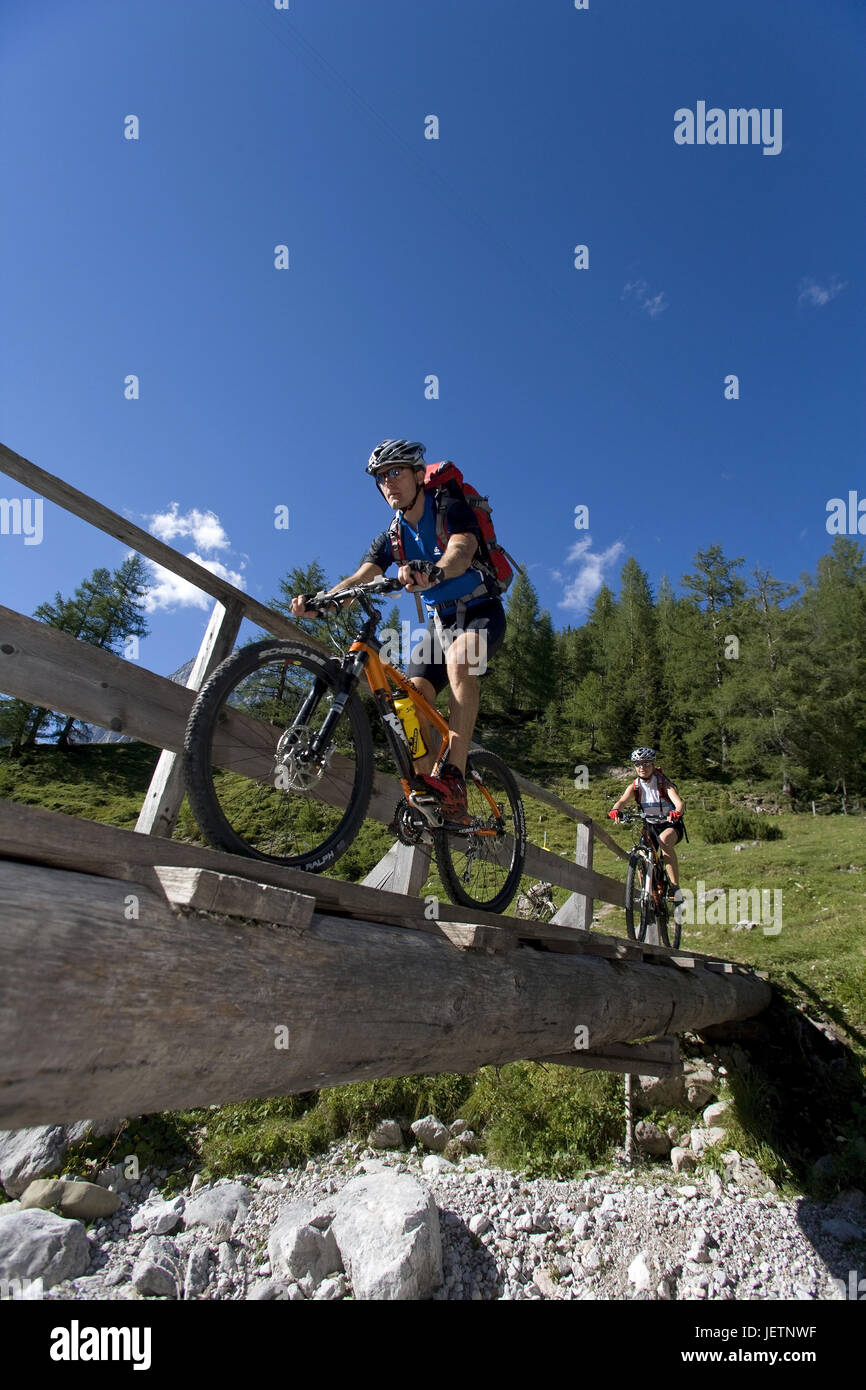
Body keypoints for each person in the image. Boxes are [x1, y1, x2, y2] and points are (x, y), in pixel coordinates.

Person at [290, 439, 506, 818]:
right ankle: (429, 792)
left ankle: (454, 777)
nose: (387, 483)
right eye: (380, 478)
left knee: (459, 662)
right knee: (409, 700)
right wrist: (323, 603)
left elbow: (463, 548)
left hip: (480, 611)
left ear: (419, 475)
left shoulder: (448, 505)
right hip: (441, 624)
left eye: (395, 472)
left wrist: (435, 569)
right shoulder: (392, 536)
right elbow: (361, 577)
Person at [608, 747, 686, 902]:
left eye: (646, 763)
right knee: (642, 855)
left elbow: (679, 803)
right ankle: (646, 892)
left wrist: (677, 812)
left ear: (653, 764)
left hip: (670, 824)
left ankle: (674, 887)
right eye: (638, 764)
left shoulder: (663, 783)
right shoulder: (635, 785)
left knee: (663, 841)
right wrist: (615, 810)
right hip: (650, 825)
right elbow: (623, 801)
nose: (642, 767)